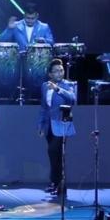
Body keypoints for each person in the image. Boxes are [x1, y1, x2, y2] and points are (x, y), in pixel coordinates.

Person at [38, 59, 76, 198]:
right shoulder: (44, 86)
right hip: (49, 126)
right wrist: (41, 125)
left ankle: (59, 184)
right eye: (56, 71)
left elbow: (72, 99)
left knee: (54, 151)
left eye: (61, 70)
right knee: (55, 155)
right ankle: (56, 184)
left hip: (62, 124)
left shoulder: (68, 85)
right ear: (50, 74)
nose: (60, 73)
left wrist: (58, 89)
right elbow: (43, 107)